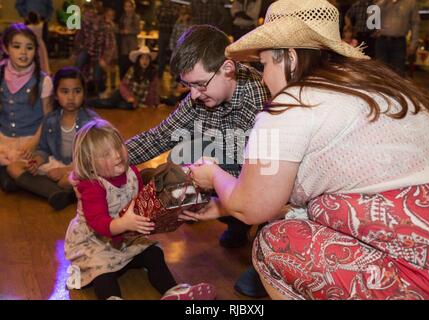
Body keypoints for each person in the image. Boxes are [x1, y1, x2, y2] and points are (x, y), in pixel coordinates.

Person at [183, 0, 429, 300]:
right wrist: (220, 206)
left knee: (273, 242)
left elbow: (251, 206)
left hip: (425, 273)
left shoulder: (292, 105)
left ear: (291, 58)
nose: (263, 76)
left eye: (265, 64)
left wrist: (213, 176)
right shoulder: (374, 84)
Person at [126, 25, 270, 297]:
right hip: (232, 167)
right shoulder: (200, 96)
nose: (193, 95)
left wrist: (222, 199)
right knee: (181, 156)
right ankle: (238, 223)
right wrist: (111, 157)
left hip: (262, 177)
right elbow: (160, 136)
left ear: (228, 69)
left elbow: (270, 180)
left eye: (200, 84)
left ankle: (264, 258)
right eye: (188, 85)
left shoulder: (259, 99)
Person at [64, 118, 216, 300]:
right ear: (90, 164)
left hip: (127, 238)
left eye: (118, 146)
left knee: (154, 253)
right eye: (105, 154)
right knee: (102, 271)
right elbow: (99, 223)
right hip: (96, 243)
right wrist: (124, 223)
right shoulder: (92, 185)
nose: (116, 155)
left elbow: (142, 201)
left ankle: (174, 291)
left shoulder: (132, 172)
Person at [6, 67, 98, 210]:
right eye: (65, 91)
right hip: (56, 163)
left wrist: (66, 170)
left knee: (66, 181)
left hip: (80, 167)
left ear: (84, 93)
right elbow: (43, 149)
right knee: (13, 167)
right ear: (55, 94)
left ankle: (47, 188)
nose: (71, 97)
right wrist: (36, 161)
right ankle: (59, 193)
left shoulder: (92, 121)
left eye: (77, 91)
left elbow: (94, 157)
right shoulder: (50, 120)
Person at [0, 23, 53, 193]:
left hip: (30, 140)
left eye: (29, 48)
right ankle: (11, 178)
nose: (23, 52)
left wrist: (33, 142)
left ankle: (13, 178)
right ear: (6, 48)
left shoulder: (43, 80)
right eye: (17, 46)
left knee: (34, 163)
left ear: (36, 51)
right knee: (8, 163)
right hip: (3, 139)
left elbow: (48, 117)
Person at [88, 46, 159, 109]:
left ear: (150, 61)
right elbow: (123, 85)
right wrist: (129, 97)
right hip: (123, 94)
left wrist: (155, 104)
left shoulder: (152, 73)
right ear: (138, 60)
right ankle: (87, 102)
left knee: (128, 106)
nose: (144, 61)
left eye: (147, 59)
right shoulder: (133, 70)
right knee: (108, 103)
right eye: (142, 59)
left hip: (134, 102)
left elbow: (154, 90)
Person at [374, 0, 420, 76]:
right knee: (380, 72)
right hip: (381, 41)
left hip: (399, 42)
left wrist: (413, 43)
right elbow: (370, 15)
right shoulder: (381, 2)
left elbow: (415, 23)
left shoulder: (410, 3)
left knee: (398, 72)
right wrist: (382, 2)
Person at [118, 0, 141, 78]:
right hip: (124, 44)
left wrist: (129, 31)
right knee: (123, 64)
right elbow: (119, 29)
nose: (128, 8)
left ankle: (132, 80)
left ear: (133, 7)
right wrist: (121, 31)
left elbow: (138, 30)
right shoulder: (122, 17)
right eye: (126, 6)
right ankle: (122, 82)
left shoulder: (136, 17)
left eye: (129, 6)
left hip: (132, 44)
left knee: (132, 63)